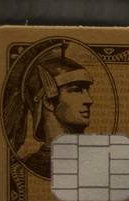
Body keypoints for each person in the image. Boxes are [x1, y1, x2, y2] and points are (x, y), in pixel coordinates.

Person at [13, 44, 94, 178]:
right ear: (49, 102)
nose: (89, 100)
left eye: (87, 91)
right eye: (76, 90)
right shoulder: (31, 167)